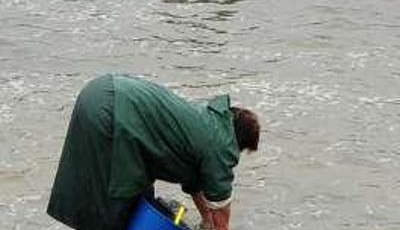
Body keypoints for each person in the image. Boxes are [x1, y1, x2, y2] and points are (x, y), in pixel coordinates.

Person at [47, 74, 260, 230]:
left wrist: (206, 221)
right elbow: (221, 203)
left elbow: (198, 187)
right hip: (112, 111)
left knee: (99, 190)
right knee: (119, 204)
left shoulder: (204, 121)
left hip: (99, 92)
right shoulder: (221, 143)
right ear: (239, 141)